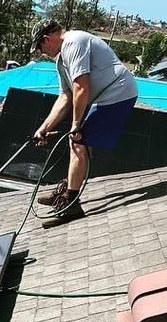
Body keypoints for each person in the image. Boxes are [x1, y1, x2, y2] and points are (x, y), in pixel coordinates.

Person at [30, 19, 138, 225]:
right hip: (107, 96)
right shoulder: (62, 60)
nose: (41, 52)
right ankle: (68, 188)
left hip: (119, 93)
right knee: (79, 142)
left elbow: (81, 88)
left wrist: (75, 125)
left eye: (40, 47)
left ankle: (71, 205)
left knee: (78, 141)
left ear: (46, 39)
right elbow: (66, 97)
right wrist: (43, 129)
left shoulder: (74, 42)